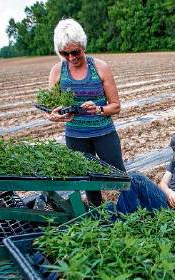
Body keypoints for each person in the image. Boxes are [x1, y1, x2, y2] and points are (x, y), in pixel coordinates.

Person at [46, 18, 125, 206]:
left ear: (83, 45)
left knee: (120, 176)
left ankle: (131, 211)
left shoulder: (100, 67)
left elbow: (116, 105)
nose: (71, 58)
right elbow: (51, 107)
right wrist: (54, 115)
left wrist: (98, 109)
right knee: (89, 180)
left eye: (75, 52)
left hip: (103, 133)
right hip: (75, 136)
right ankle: (97, 214)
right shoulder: (57, 71)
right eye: (65, 53)